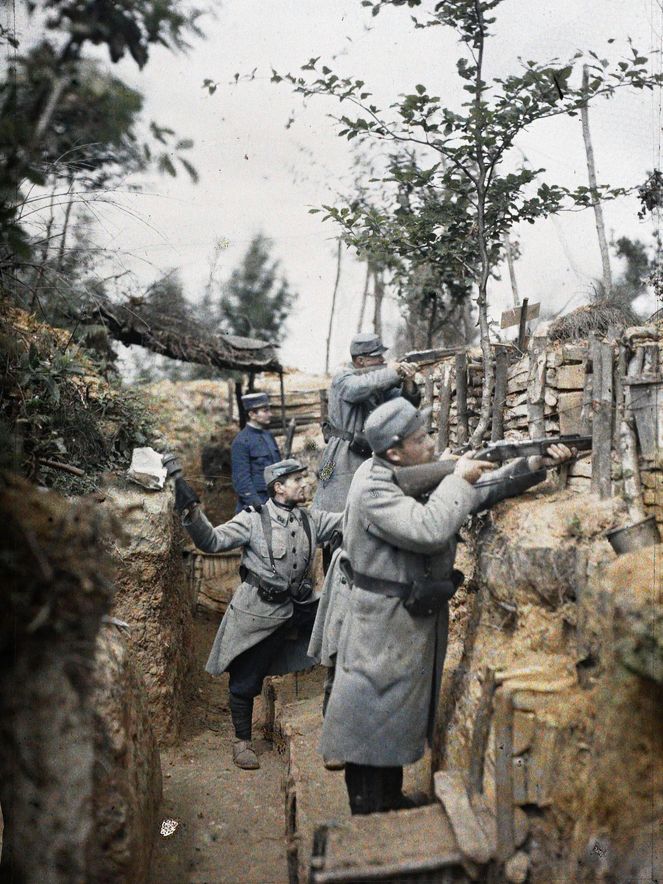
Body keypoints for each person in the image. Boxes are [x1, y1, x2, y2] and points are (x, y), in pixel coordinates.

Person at [319, 398, 574, 815]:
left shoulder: (393, 471)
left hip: (400, 620)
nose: (433, 445)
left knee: (392, 716)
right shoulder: (372, 486)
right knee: (370, 721)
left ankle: (388, 799)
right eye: (422, 440)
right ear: (395, 452)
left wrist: (531, 466)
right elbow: (431, 528)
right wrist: (458, 477)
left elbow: (473, 494)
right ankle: (368, 816)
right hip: (381, 623)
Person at [174, 458, 342, 770]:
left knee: (340, 641)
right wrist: (191, 514)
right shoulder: (252, 520)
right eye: (297, 480)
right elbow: (211, 541)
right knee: (245, 678)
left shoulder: (311, 519)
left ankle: (335, 734)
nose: (305, 484)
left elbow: (350, 520)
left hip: (300, 607)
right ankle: (242, 742)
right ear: (279, 488)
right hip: (259, 612)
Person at [312, 332, 420, 516]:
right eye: (377, 356)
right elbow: (359, 388)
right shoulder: (343, 378)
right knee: (331, 495)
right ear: (361, 361)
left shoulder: (377, 381)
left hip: (367, 451)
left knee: (367, 504)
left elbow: (403, 406)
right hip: (340, 454)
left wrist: (408, 382)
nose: (381, 360)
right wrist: (391, 372)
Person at [231, 392, 281, 512]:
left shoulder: (268, 436)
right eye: (265, 411)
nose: (270, 414)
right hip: (256, 506)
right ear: (252, 414)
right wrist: (257, 505)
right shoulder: (241, 442)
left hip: (275, 501)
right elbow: (241, 480)